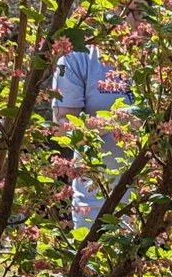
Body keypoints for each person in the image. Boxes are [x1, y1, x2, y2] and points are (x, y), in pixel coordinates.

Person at [52, 41, 134, 231]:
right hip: (98, 205)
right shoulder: (77, 59)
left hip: (159, 200)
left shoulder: (166, 52)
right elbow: (62, 128)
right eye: (136, 11)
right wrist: (116, 119)